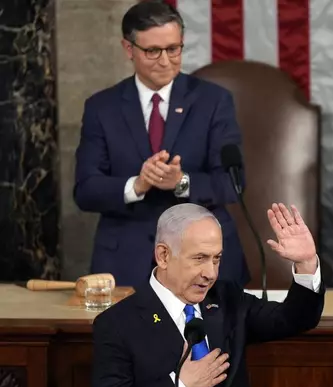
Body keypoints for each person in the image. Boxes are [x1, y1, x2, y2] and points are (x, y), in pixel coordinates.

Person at [73, 1, 250, 288]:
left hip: (202, 262)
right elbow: (85, 190)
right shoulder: (101, 108)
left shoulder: (214, 101)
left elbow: (233, 184)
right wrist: (137, 185)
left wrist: (181, 182)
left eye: (173, 49)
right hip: (125, 262)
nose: (165, 61)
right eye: (153, 51)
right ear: (128, 49)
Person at [92, 202, 324, 387]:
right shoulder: (117, 324)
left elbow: (293, 318)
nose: (210, 273)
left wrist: (305, 263)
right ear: (163, 256)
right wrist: (180, 386)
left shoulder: (228, 299)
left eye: (216, 259)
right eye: (199, 258)